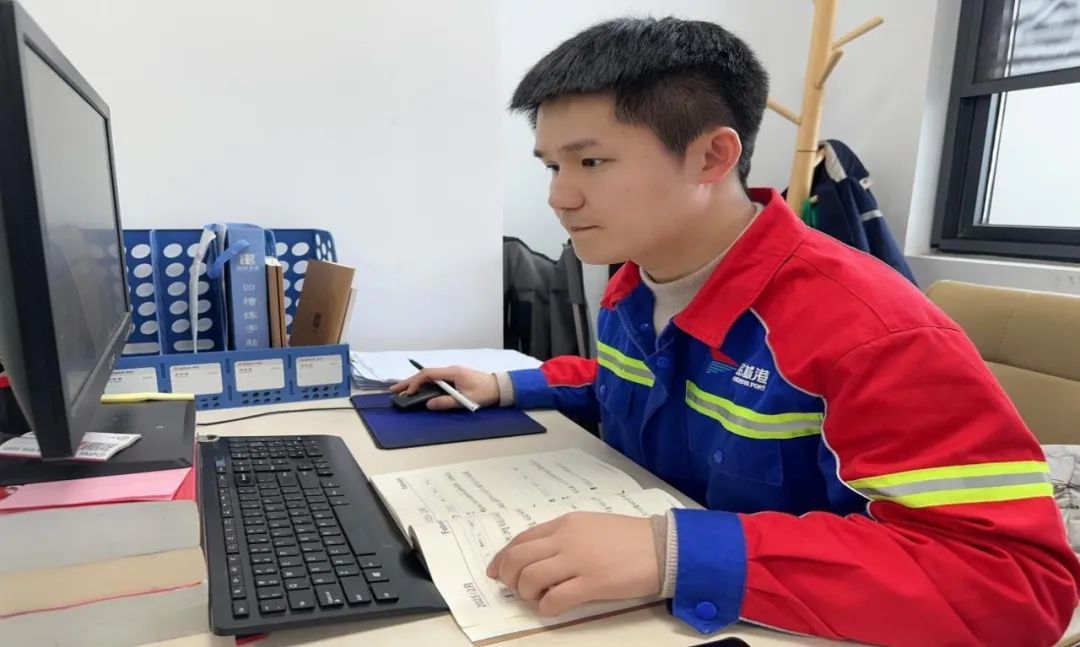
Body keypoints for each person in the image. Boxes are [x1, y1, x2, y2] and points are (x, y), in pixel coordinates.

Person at [391, 16, 1080, 645]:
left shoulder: (871, 329)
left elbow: (1018, 584)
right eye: (552, 166)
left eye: (591, 162)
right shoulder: (635, 281)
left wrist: (676, 552)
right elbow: (638, 390)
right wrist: (509, 384)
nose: (559, 196)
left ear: (712, 157)